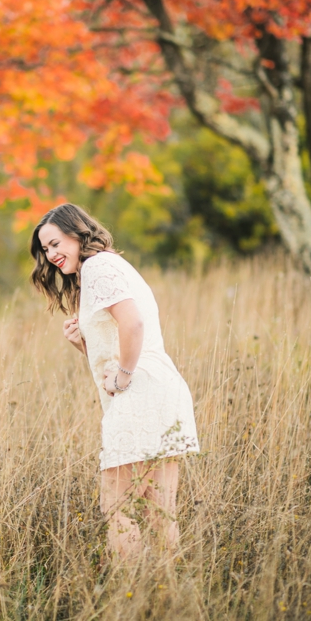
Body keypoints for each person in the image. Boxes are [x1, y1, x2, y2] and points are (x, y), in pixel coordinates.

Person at [28, 203, 199, 563]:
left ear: (78, 233)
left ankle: (130, 595)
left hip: (141, 389)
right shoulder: (110, 265)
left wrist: (123, 377)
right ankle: (168, 592)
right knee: (159, 511)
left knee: (116, 506)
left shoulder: (98, 267)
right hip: (158, 385)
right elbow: (119, 341)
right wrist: (83, 345)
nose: (52, 255)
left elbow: (133, 325)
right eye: (46, 249)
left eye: (56, 243)